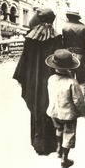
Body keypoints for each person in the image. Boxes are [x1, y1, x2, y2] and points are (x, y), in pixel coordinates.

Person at [13, 8, 63, 155]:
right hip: (51, 79)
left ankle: (38, 143)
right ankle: (51, 144)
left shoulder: (30, 38)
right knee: (50, 106)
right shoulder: (56, 37)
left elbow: (24, 61)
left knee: (36, 107)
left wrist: (22, 79)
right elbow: (59, 60)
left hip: (33, 80)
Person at [45, 49, 85, 168]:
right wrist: (84, 113)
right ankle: (64, 159)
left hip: (54, 112)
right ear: (70, 67)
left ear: (54, 66)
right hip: (68, 114)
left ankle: (58, 149)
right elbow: (78, 101)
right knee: (69, 134)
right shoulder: (72, 82)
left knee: (58, 129)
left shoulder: (51, 79)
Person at [62, 10, 85, 97]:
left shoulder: (64, 27)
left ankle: (69, 99)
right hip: (81, 55)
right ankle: (81, 100)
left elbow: (62, 42)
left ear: (68, 16)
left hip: (68, 55)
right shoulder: (84, 27)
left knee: (68, 78)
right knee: (82, 80)